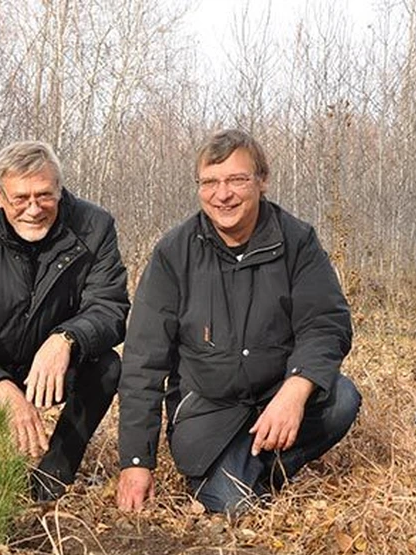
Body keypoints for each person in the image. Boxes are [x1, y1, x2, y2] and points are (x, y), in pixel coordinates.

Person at [116, 129, 361, 514]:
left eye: (237, 180)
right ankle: (239, 478)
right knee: (232, 505)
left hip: (274, 396)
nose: (223, 194)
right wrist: (136, 462)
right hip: (207, 413)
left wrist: (295, 391)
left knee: (341, 397)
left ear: (262, 181)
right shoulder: (173, 253)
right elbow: (143, 360)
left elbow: (325, 323)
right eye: (210, 182)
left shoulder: (297, 241)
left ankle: (260, 467)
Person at [0, 141, 129, 501]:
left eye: (45, 195)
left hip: (54, 365)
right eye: (21, 198)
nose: (34, 209)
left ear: (59, 191)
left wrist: (66, 338)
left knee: (107, 367)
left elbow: (110, 306)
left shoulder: (95, 227)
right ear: (0, 196)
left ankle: (53, 477)